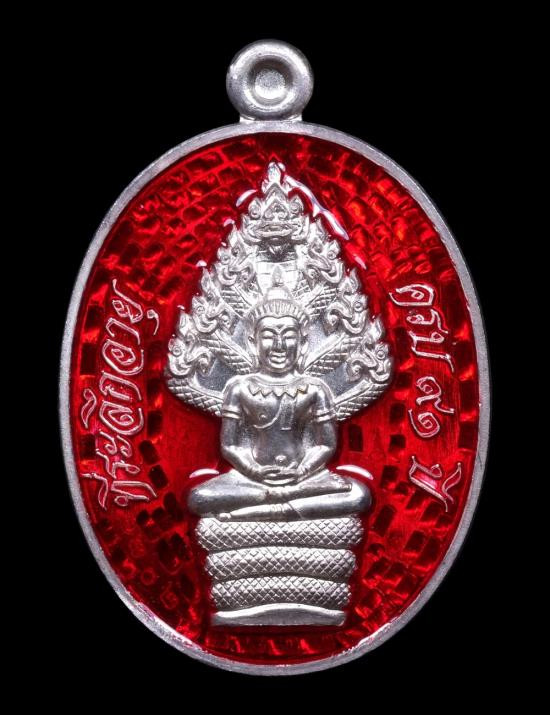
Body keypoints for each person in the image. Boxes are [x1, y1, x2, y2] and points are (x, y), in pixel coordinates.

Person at [188, 289, 371, 521]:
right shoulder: (240, 388)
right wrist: (255, 471)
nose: (279, 345)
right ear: (253, 342)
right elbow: (229, 445)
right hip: (250, 480)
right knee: (199, 497)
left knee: (359, 495)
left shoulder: (314, 389)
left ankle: (259, 509)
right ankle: (282, 501)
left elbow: (326, 444)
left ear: (303, 343)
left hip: (305, 478)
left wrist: (302, 471)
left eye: (288, 335)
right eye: (268, 335)